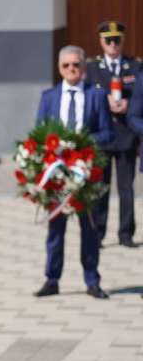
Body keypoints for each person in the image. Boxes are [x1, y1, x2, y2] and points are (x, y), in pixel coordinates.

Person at [36, 46, 114, 299]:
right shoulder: (48, 96)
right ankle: (52, 279)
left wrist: (83, 143)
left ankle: (92, 280)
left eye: (76, 65)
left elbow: (107, 133)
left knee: (90, 229)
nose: (72, 69)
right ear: (59, 68)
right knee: (55, 229)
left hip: (85, 174)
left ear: (84, 68)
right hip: (57, 175)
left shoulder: (96, 96)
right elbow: (40, 134)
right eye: (66, 65)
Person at [87, 22, 142, 248]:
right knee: (101, 187)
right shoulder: (91, 67)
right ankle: (98, 233)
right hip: (103, 134)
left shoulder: (135, 66)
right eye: (108, 40)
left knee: (126, 188)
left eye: (116, 40)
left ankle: (126, 233)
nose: (113, 45)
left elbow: (141, 98)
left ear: (122, 41)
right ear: (101, 42)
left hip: (127, 134)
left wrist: (129, 105)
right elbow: (88, 97)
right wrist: (103, 101)